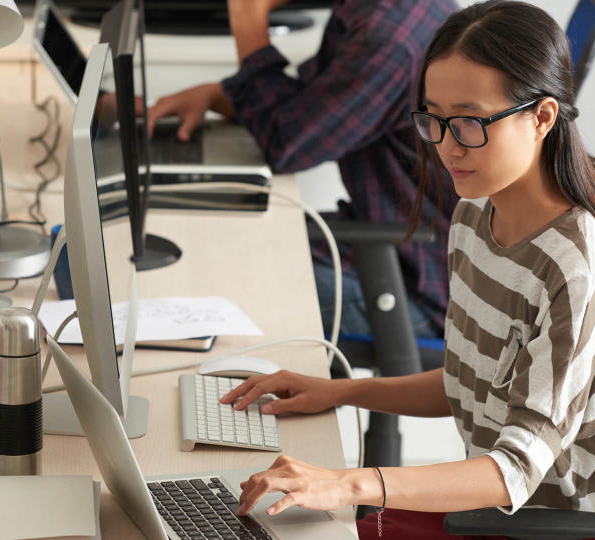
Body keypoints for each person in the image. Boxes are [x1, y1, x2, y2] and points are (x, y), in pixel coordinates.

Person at [219, 1, 595, 537]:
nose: (444, 146)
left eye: (467, 122)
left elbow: (513, 471)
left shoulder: (577, 268)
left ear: (542, 117)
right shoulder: (474, 214)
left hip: (534, 525)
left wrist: (349, 483)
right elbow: (471, 384)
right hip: (484, 512)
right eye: (433, 120)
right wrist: (341, 391)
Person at [146, 0, 459, 341]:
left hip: (413, 288)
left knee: (201, 273)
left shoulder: (388, 40)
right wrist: (214, 97)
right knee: (208, 240)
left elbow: (286, 147)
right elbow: (308, 108)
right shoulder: (381, 11)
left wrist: (248, 18)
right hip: (386, 248)